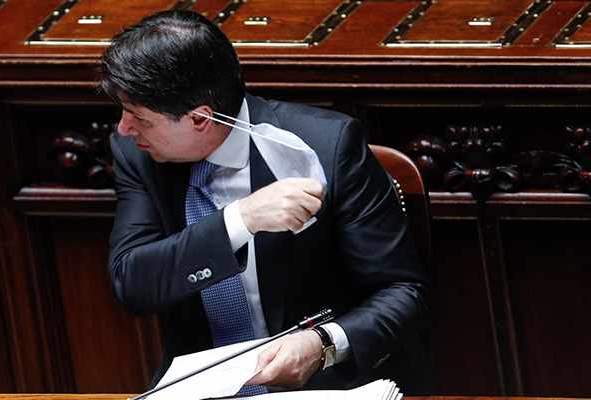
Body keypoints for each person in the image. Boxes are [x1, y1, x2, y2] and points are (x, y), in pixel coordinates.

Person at [100, 9, 432, 395]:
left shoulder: (329, 146)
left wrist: (323, 344)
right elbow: (134, 285)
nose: (124, 128)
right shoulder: (136, 153)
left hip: (326, 383)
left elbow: (405, 293)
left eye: (138, 117)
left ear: (200, 119)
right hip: (204, 385)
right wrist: (240, 220)